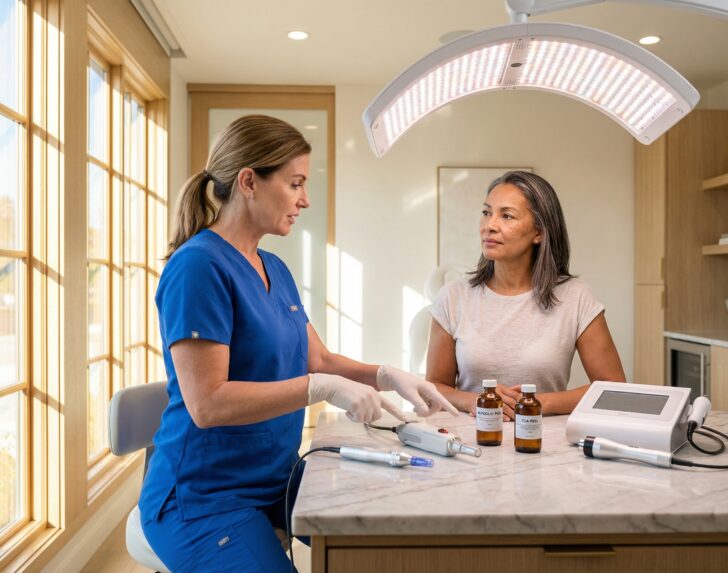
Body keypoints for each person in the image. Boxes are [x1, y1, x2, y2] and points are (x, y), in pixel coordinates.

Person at [139, 114, 457, 572]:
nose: (305, 200)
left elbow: (319, 358)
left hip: (276, 478)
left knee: (391, 535)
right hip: (204, 496)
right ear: (249, 181)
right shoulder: (198, 268)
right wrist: (319, 388)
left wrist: (387, 375)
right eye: (295, 184)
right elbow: (206, 403)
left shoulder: (274, 268)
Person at [426, 170, 625, 420]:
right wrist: (475, 401)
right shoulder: (453, 297)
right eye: (487, 212)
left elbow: (614, 387)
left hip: (547, 444)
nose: (490, 225)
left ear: (539, 232)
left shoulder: (575, 297)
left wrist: (535, 403)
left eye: (507, 216)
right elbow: (433, 387)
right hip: (471, 442)